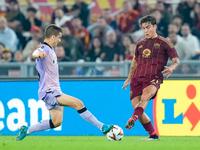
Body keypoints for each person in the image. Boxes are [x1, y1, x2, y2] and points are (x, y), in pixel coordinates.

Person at [16, 24, 113, 141]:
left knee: (56, 122)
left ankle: (26, 130)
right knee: (78, 103)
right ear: (52, 36)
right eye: (59, 37)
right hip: (49, 92)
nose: (60, 40)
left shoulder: (50, 49)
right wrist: (38, 54)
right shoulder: (44, 48)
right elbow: (36, 52)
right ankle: (102, 127)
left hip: (53, 90)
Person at [122, 15, 180, 140]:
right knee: (138, 108)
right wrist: (128, 78)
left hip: (153, 78)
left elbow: (176, 61)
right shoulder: (140, 44)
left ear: (155, 26)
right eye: (143, 28)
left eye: (148, 27)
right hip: (137, 79)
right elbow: (134, 63)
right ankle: (153, 135)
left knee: (145, 98)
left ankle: (133, 118)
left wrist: (172, 68)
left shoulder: (165, 43)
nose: (145, 31)